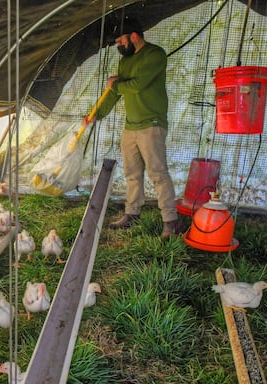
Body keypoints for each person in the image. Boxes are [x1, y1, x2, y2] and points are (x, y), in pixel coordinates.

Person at [84, 16, 181, 240]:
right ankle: (132, 213)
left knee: (158, 173)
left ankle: (170, 221)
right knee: (132, 174)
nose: (119, 46)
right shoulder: (125, 62)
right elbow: (116, 92)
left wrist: (115, 83)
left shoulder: (155, 55)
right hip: (131, 127)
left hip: (152, 125)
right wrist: (95, 114)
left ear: (134, 36)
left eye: (120, 41)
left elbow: (137, 85)